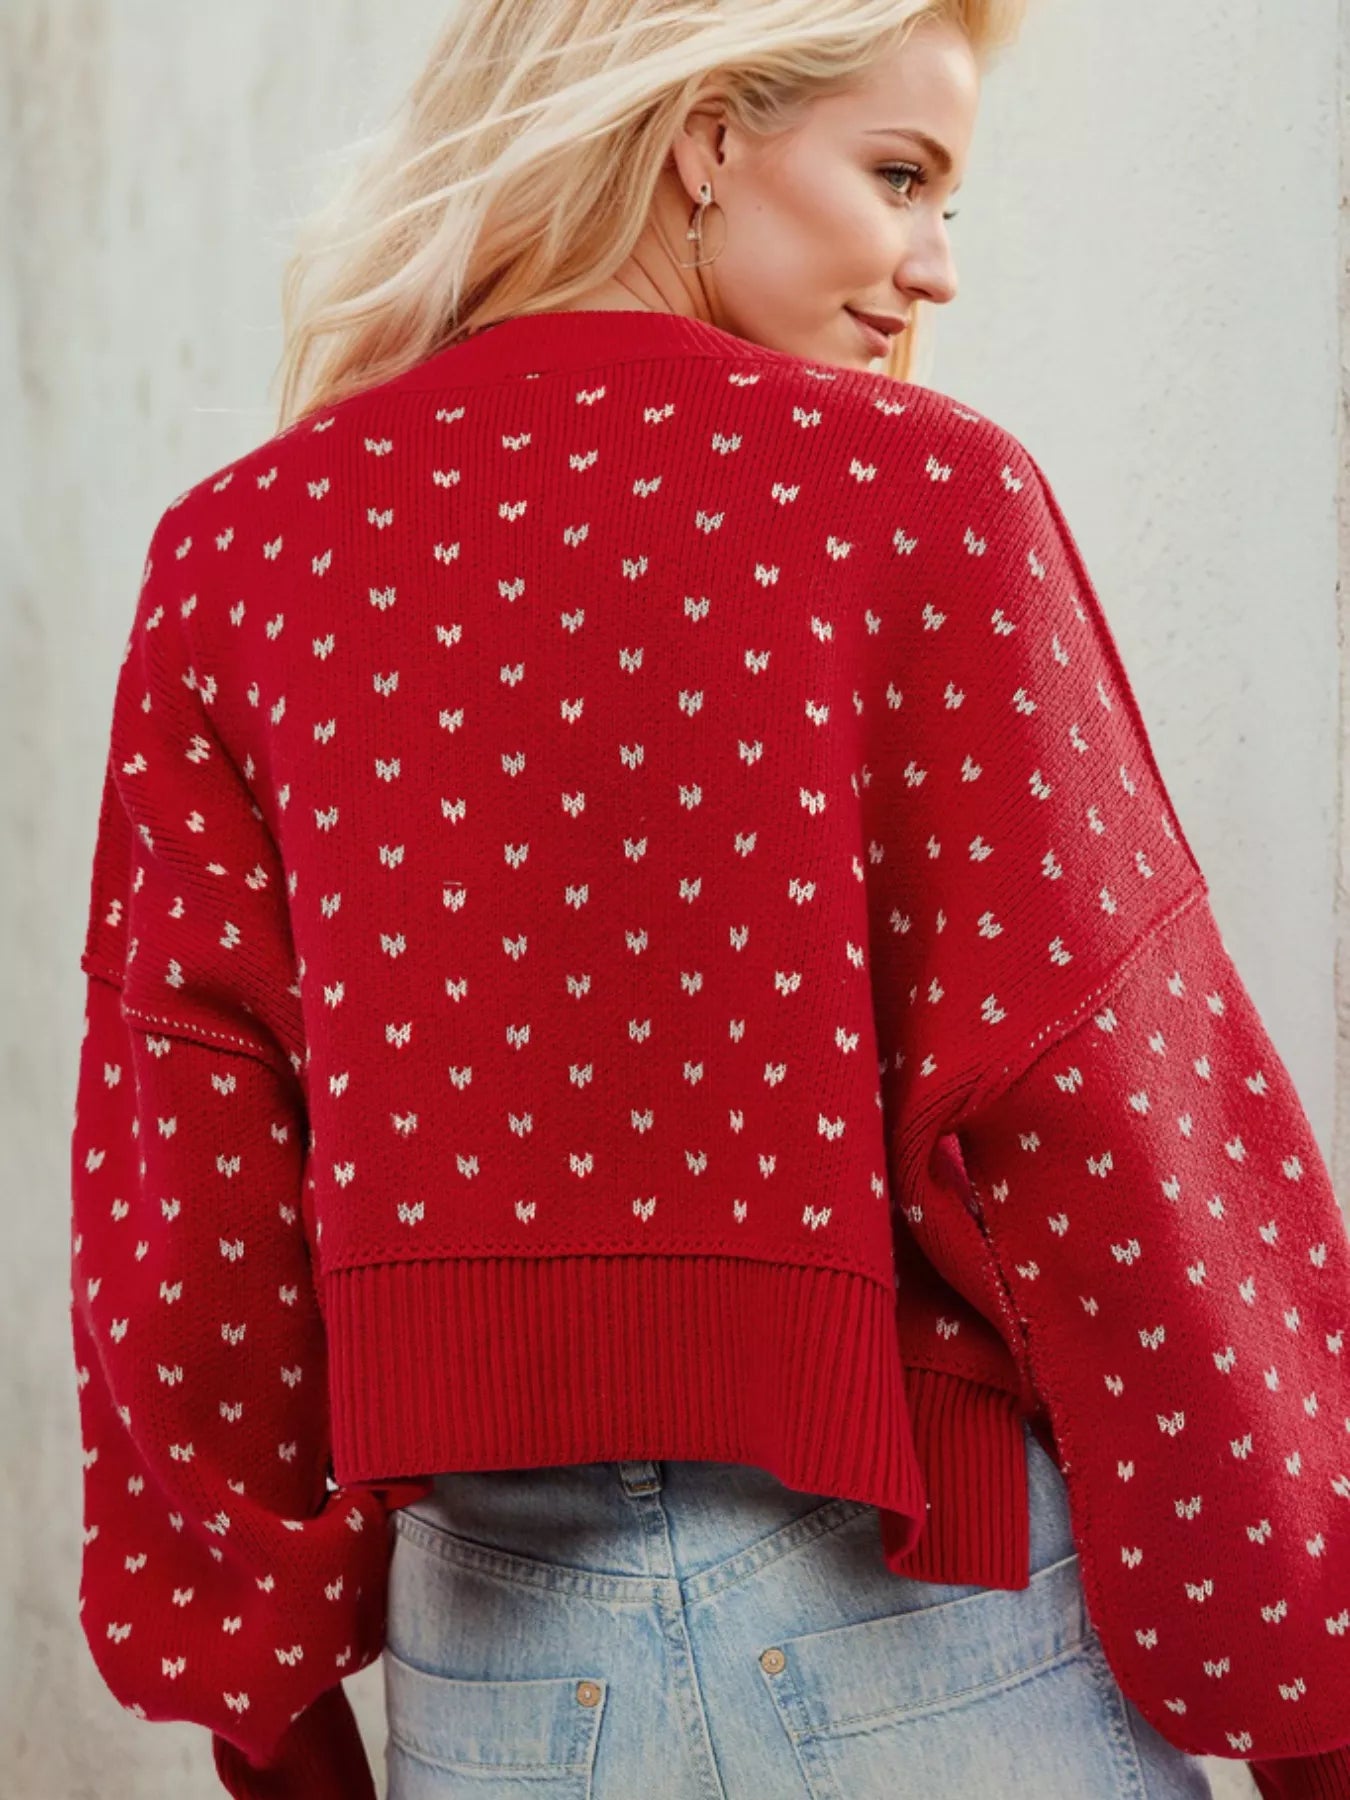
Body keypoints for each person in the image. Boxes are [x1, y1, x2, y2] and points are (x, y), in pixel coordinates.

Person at [67, 3, 1350, 1796]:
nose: (936, 264)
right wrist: (1305, 1702)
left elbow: (189, 1192)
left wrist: (272, 1721)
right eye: (900, 176)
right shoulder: (919, 493)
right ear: (702, 139)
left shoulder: (239, 551)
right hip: (931, 1633)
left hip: (496, 1676)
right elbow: (1118, 1128)